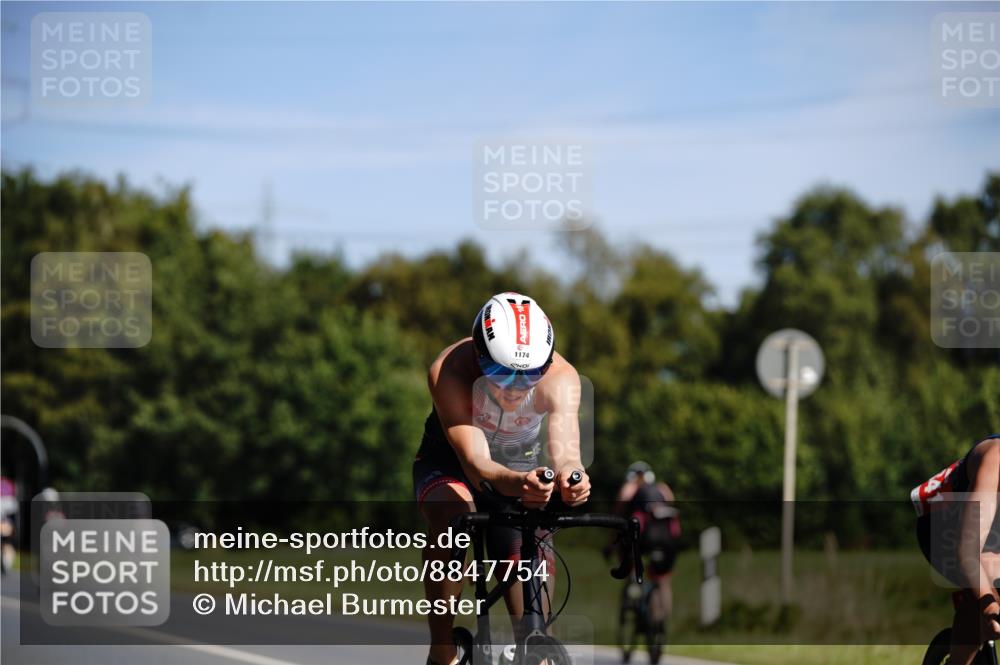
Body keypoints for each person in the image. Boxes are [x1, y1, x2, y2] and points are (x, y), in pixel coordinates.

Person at [413, 292, 591, 665]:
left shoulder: (562, 377)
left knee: (533, 531)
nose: (514, 386)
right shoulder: (449, 370)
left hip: (518, 462)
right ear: (479, 358)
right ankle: (442, 649)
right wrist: (521, 482)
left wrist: (572, 479)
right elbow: (476, 464)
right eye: (500, 372)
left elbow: (566, 452)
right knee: (454, 514)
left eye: (529, 374)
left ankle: (536, 645)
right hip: (451, 462)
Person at [913, 434, 1000, 665]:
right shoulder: (994, 460)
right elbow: (968, 550)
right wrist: (989, 605)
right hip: (942, 523)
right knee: (987, 575)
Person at [612, 461, 680, 627]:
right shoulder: (663, 488)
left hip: (642, 538)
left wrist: (611, 543)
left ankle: (635, 592)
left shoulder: (629, 488)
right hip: (667, 540)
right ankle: (661, 624)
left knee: (632, 566)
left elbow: (617, 516)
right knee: (662, 580)